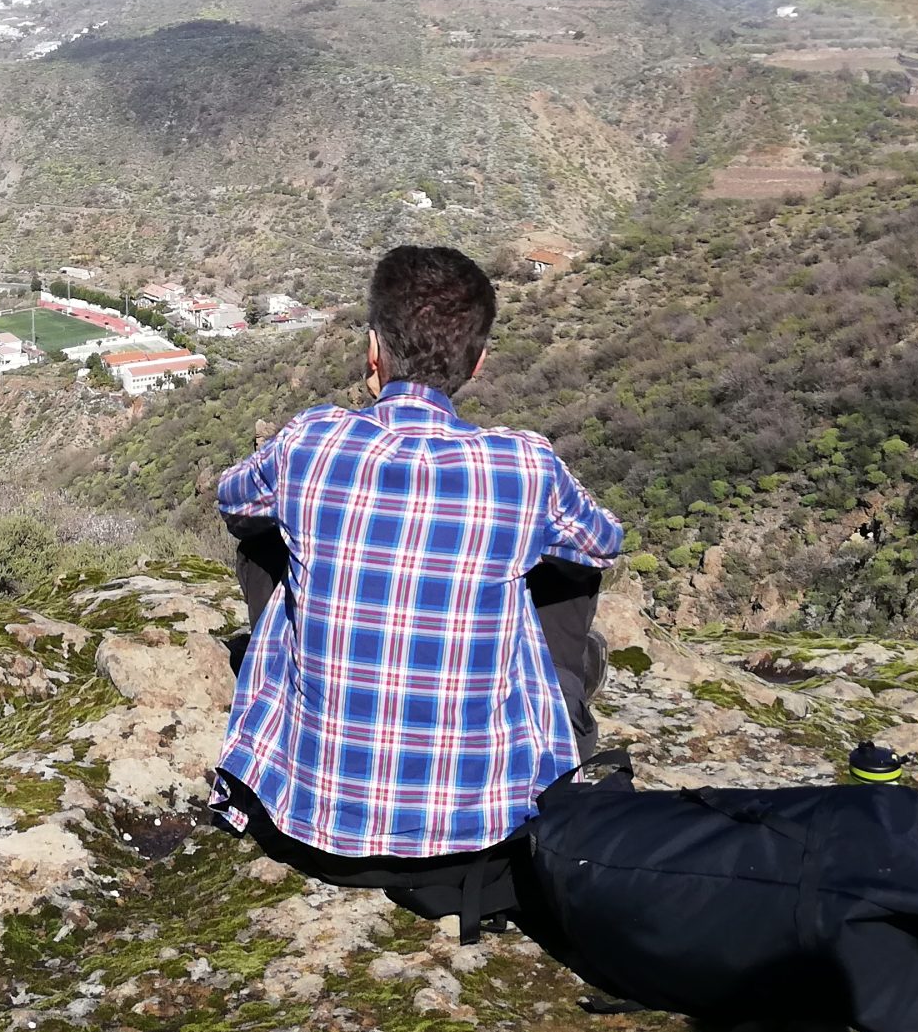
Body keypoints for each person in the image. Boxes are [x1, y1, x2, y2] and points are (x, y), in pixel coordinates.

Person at [210, 244, 623, 924]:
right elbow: (604, 542)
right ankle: (566, 700)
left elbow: (233, 503)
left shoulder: (309, 440)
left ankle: (306, 716)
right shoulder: (523, 465)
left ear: (374, 350)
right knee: (566, 562)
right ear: (478, 362)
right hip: (482, 846)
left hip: (304, 828)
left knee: (263, 535)